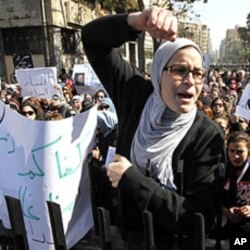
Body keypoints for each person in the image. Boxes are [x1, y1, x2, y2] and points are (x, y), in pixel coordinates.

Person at [82, 6, 226, 249]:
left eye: (198, 73)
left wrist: (132, 180)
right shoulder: (135, 95)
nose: (191, 81)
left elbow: (200, 218)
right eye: (180, 70)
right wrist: (137, 21)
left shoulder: (207, 135)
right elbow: (92, 38)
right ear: (158, 72)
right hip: (124, 239)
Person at [222, 131, 250, 249]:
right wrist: (225, 210)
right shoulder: (223, 169)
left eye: (240, 152)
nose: (235, 156)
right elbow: (215, 195)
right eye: (231, 151)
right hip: (233, 226)